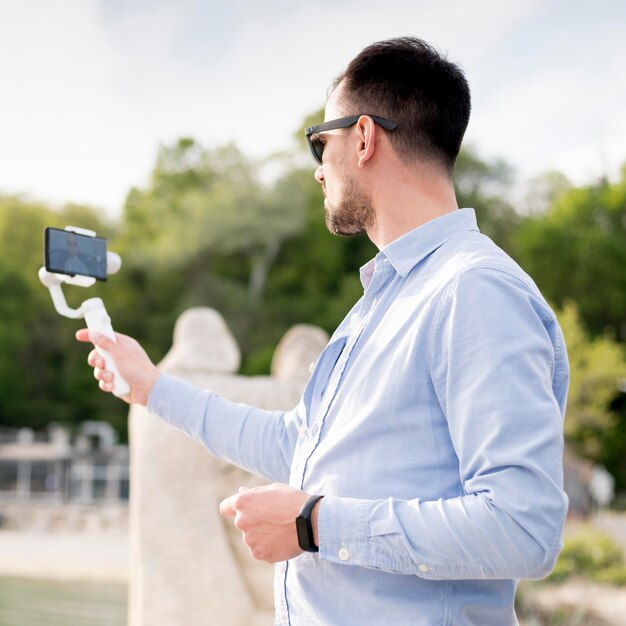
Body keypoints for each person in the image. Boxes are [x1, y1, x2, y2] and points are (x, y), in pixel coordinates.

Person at [77, 37, 569, 626]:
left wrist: (313, 524)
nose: (317, 169)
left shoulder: (475, 292)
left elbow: (522, 527)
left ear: (364, 138)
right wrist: (153, 388)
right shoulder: (379, 305)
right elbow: (296, 447)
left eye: (321, 141)